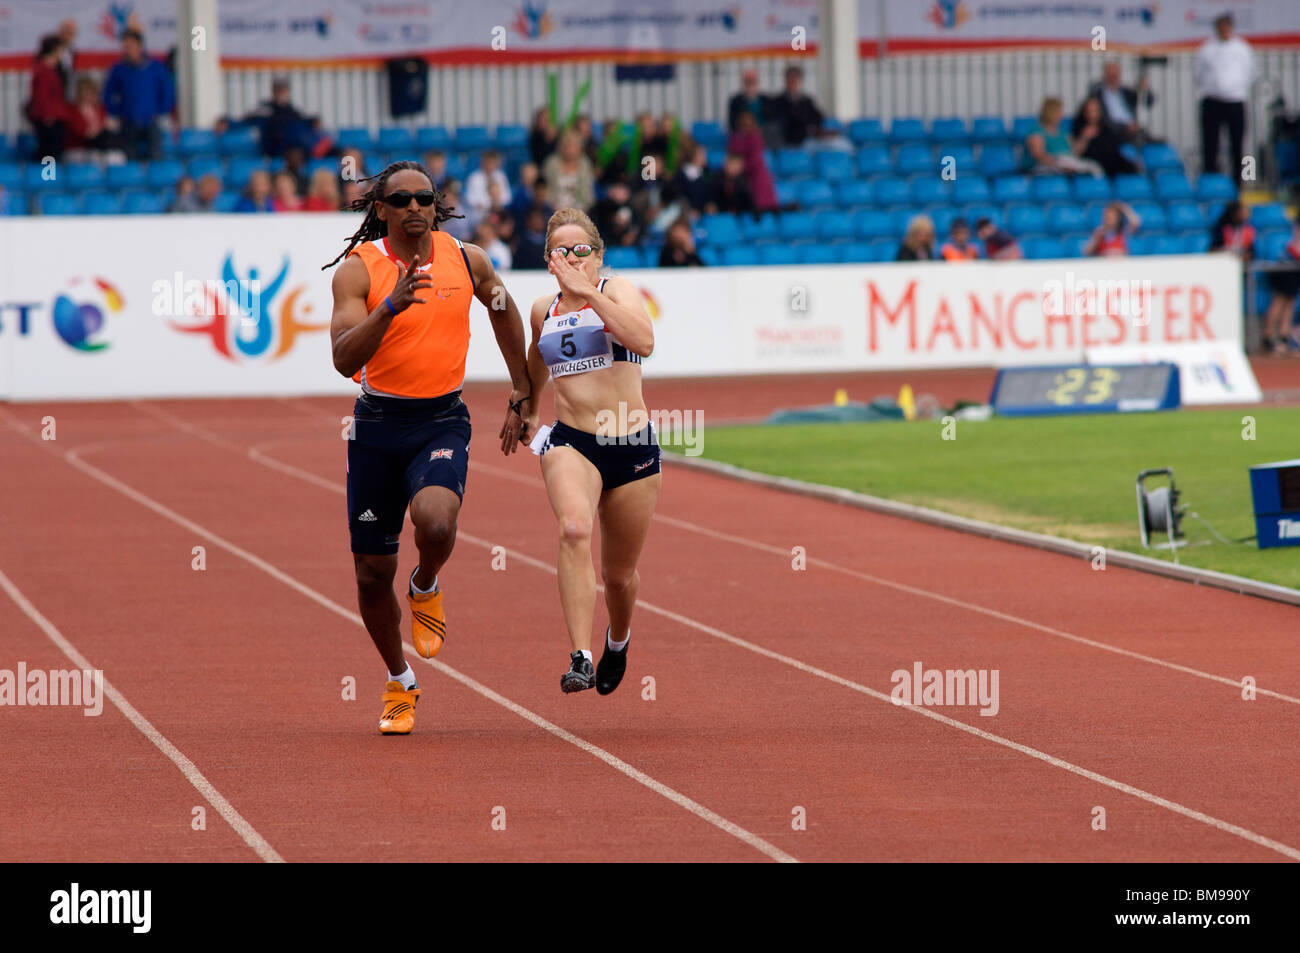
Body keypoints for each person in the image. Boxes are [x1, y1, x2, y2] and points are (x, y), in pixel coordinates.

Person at [323, 160, 532, 734]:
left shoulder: (467, 259)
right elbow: (344, 359)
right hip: (377, 426)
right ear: (382, 210)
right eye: (402, 199)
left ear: (436, 206)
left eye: (425, 197)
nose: (415, 207)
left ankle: (425, 584)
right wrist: (389, 306)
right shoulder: (358, 271)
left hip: (441, 419)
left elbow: (501, 308)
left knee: (435, 524)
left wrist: (522, 386)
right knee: (370, 572)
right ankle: (399, 682)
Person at [521, 208, 659, 694]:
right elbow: (537, 361)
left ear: (598, 256)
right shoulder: (543, 309)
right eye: (561, 252)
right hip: (571, 442)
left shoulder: (615, 292)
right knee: (574, 529)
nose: (573, 258)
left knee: (619, 577)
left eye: (582, 250)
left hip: (631, 443)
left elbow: (644, 340)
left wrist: (587, 298)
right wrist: (525, 407)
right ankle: (580, 655)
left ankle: (616, 640)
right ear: (549, 262)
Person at [1196, 13, 1253, 182]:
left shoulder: (1242, 48)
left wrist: (1234, 87)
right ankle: (1211, 179)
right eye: (1221, 27)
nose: (1224, 30)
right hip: (1213, 100)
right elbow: (1199, 74)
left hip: (1235, 100)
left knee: (1237, 143)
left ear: (1231, 28)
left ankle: (1239, 181)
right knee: (1210, 144)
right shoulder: (1207, 48)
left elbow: (1249, 73)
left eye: (1227, 27)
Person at [102, 30, 174, 160]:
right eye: (125, 47)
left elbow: (168, 93)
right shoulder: (119, 69)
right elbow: (108, 94)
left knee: (156, 157)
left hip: (152, 121)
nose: (127, 50)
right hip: (129, 122)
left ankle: (156, 180)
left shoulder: (156, 67)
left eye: (130, 46)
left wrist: (160, 111)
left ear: (139, 46)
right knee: (130, 159)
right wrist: (118, 112)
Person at [1025, 97, 1103, 177]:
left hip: (1067, 162)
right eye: (1059, 112)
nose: (1062, 115)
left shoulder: (1062, 132)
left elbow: (1075, 152)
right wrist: (1058, 163)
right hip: (1048, 166)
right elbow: (1039, 155)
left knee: (1094, 167)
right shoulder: (1036, 131)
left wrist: (1084, 137)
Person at [1086, 59, 1154, 143]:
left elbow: (1148, 101)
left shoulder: (1126, 92)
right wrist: (1125, 127)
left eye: (1116, 75)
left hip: (1133, 129)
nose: (1114, 78)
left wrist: (1145, 89)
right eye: (1111, 75)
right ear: (1105, 76)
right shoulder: (1098, 93)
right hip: (1112, 132)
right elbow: (1102, 118)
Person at [1072, 97, 1140, 178]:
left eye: (1095, 110)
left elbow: (1115, 142)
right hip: (1094, 160)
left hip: (1112, 158)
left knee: (1130, 167)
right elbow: (1076, 152)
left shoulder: (1105, 126)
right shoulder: (1079, 127)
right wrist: (1085, 137)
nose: (1092, 114)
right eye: (1089, 111)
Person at [1262, 212, 1300, 355]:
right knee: (1280, 300)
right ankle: (1268, 336)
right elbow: (1295, 249)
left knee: (1290, 301)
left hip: (1294, 267)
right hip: (1285, 266)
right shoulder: (1295, 228)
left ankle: (1284, 336)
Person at [27, 35, 69, 160]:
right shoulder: (44, 70)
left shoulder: (52, 69)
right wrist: (47, 115)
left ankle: (49, 176)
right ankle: (47, 177)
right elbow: (42, 95)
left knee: (52, 150)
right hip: (48, 118)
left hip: (54, 115)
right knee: (48, 152)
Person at [726, 111, 777, 213]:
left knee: (760, 206)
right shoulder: (735, 138)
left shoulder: (755, 138)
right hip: (739, 176)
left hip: (755, 176)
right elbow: (732, 153)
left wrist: (740, 167)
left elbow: (755, 159)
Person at [542, 130, 596, 212]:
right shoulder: (551, 163)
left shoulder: (585, 164)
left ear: (579, 148)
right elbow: (545, 190)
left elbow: (588, 193)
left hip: (581, 210)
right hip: (554, 208)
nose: (569, 150)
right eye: (566, 146)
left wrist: (580, 211)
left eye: (573, 146)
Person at [66, 76, 119, 159]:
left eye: (91, 92)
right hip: (79, 148)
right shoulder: (73, 111)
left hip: (99, 147)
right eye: (85, 92)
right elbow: (82, 132)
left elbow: (107, 126)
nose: (88, 95)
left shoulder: (100, 109)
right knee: (93, 156)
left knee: (117, 156)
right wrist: (99, 129)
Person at [770, 65, 824, 147]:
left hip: (805, 139)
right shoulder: (778, 101)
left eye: (795, 79)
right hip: (784, 140)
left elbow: (818, 119)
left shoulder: (807, 101)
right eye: (790, 79)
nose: (793, 82)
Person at [465, 149, 512, 223]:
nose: (490, 165)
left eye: (493, 162)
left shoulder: (501, 176)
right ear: (482, 162)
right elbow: (469, 199)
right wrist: (486, 204)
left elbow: (507, 197)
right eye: (488, 162)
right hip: (480, 215)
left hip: (498, 212)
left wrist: (497, 202)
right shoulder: (474, 177)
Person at [728, 68, 770, 133]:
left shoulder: (766, 100)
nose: (750, 84)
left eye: (753, 81)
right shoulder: (736, 101)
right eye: (748, 81)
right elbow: (732, 123)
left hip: (764, 135)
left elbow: (771, 121)